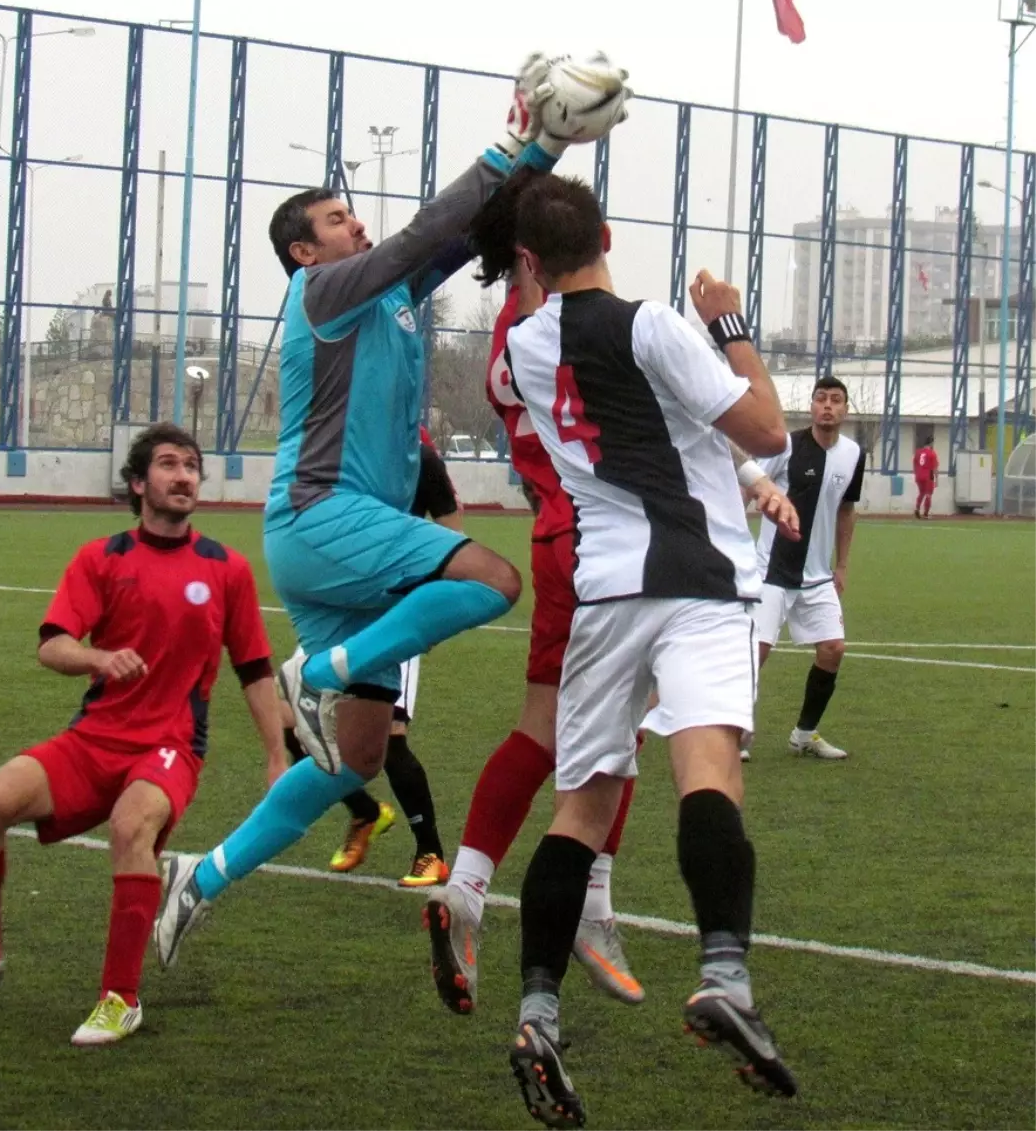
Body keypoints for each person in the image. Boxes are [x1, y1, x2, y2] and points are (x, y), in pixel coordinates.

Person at [154, 54, 632, 971]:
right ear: (303, 251)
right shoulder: (322, 294)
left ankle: (199, 878)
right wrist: (514, 137)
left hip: (342, 534)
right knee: (493, 579)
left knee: (353, 758)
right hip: (323, 516)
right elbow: (422, 236)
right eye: (337, 219)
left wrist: (543, 151)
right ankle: (321, 667)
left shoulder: (387, 296)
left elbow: (458, 239)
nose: (355, 223)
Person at [498, 173, 801, 1123]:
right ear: (610, 235)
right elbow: (768, 430)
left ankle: (537, 1015)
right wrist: (729, 326)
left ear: (529, 263)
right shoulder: (659, 325)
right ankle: (723, 974)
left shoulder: (522, 342)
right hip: (697, 580)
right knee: (707, 767)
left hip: (601, 592)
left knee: (579, 812)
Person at [0, 424, 286, 1046]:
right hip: (95, 737)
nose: (184, 475)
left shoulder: (226, 569)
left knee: (132, 825)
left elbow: (254, 669)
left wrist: (276, 757)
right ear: (138, 483)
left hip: (171, 745)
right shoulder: (100, 558)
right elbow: (52, 646)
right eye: (168, 464)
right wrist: (99, 659)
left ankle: (120, 999)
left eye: (192, 465)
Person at [423, 252, 644, 1018]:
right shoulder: (573, 328)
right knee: (623, 731)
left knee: (541, 725)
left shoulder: (508, 340)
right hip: (610, 544)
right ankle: (592, 904)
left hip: (555, 538)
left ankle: (469, 886)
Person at [283, 430, 463, 887]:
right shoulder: (341, 455)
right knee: (289, 717)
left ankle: (431, 853)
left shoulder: (420, 458)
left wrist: (428, 604)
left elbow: (452, 535)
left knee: (390, 738)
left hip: (394, 616)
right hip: (340, 612)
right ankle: (364, 812)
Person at [746, 376, 865, 763]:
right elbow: (750, 489)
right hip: (770, 572)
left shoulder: (853, 455)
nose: (827, 406)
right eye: (821, 399)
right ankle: (735, 734)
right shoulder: (786, 447)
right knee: (755, 652)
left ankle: (804, 734)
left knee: (833, 650)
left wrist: (842, 565)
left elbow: (847, 511)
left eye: (835, 400)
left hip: (817, 577)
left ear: (845, 410)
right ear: (811, 407)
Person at [913, 434, 939, 519]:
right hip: (929, 475)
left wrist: (916, 474)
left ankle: (917, 508)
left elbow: (915, 464)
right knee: (928, 494)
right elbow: (935, 468)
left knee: (921, 493)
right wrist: (937, 479)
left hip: (919, 475)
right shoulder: (932, 453)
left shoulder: (918, 452)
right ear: (931, 443)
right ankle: (926, 514)